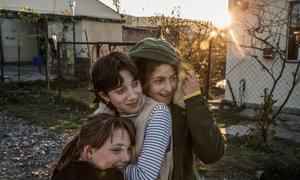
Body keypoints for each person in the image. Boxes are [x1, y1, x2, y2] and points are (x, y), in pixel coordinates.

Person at [128, 38, 225, 180]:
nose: (169, 88)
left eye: (173, 78)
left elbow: (212, 154)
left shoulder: (183, 108)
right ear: (142, 82)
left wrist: (194, 100)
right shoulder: (127, 110)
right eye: (159, 80)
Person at [90, 51, 173, 180]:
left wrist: (101, 163)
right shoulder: (101, 115)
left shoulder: (157, 114)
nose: (133, 96)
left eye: (135, 84)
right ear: (104, 95)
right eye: (121, 90)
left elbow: (144, 176)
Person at [52, 113, 136, 180]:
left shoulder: (64, 170)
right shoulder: (111, 177)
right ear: (90, 151)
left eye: (129, 149)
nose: (127, 158)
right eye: (117, 150)